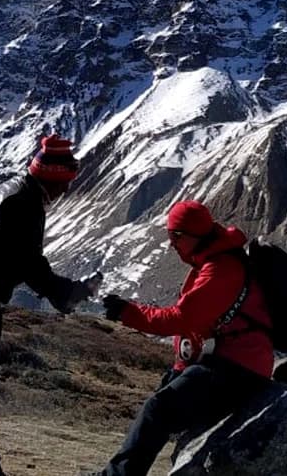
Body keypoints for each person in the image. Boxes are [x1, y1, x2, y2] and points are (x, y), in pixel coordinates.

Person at [0, 134, 100, 476]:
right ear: (52, 177)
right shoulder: (24, 205)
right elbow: (31, 266)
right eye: (65, 183)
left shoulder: (13, 190)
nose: (66, 191)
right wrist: (69, 293)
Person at [92, 200, 273, 476]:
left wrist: (127, 313)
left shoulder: (220, 269)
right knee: (164, 403)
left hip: (237, 371)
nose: (171, 244)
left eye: (175, 237)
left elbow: (180, 319)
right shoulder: (215, 260)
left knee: (158, 409)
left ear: (192, 235)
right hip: (232, 365)